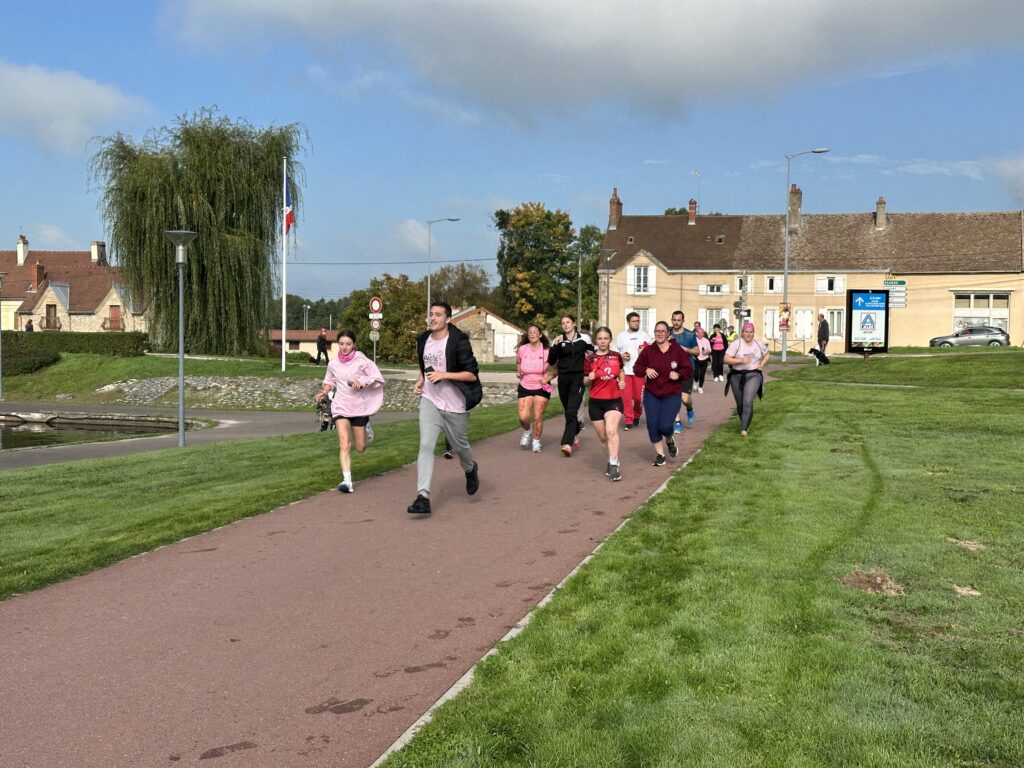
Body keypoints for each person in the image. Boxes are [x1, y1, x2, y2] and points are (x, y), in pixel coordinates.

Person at [409, 301, 482, 515]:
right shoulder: (423, 339)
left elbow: (472, 374)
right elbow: (425, 367)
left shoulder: (458, 341)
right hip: (430, 400)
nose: (432, 318)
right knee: (425, 445)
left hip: (455, 403)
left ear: (448, 319)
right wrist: (420, 380)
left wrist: (445, 375)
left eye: (438, 315)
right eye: (431, 314)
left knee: (460, 447)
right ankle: (423, 496)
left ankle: (470, 468)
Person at [314, 330, 384, 493]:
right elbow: (329, 381)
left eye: (348, 344)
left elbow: (377, 377)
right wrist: (324, 392)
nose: (344, 347)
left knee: (360, 447)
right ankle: (347, 481)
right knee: (344, 444)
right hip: (340, 407)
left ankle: (366, 426)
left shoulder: (362, 360)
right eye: (341, 344)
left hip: (358, 408)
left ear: (354, 345)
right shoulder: (333, 364)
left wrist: (362, 381)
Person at [634, 321, 693, 466]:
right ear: (654, 333)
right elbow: (637, 368)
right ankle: (660, 455)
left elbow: (688, 369)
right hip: (652, 393)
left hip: (671, 393)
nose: (660, 333)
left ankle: (669, 439)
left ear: (668, 334)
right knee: (652, 425)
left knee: (665, 426)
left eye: (663, 331)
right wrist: (646, 370)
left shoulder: (677, 350)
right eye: (657, 331)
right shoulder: (648, 351)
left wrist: (678, 374)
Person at [547, 314, 593, 457]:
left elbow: (592, 356)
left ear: (574, 323)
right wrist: (554, 347)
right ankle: (575, 430)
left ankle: (567, 443)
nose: (565, 325)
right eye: (563, 323)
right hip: (563, 379)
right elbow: (551, 361)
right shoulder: (559, 341)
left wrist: (588, 375)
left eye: (568, 322)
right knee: (568, 410)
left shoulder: (584, 339)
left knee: (572, 410)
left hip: (578, 378)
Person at [584, 327, 626, 481]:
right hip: (595, 402)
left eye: (606, 338)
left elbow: (621, 371)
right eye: (600, 338)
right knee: (602, 437)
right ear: (596, 340)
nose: (603, 341)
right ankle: (611, 460)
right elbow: (585, 382)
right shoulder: (589, 359)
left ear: (610, 339)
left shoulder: (616, 356)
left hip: (613, 400)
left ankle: (614, 465)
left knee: (611, 431)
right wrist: (589, 378)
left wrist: (622, 381)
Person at [723, 322, 771, 437]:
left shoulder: (758, 344)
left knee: (747, 401)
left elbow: (767, 354)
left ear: (753, 333)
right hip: (736, 375)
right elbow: (725, 359)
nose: (748, 334)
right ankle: (745, 421)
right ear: (742, 333)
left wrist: (762, 363)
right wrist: (740, 360)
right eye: (746, 332)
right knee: (740, 404)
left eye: (751, 332)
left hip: (753, 374)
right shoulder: (736, 344)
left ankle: (744, 428)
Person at [515, 324, 553, 453]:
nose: (532, 334)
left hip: (541, 387)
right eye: (530, 332)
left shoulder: (547, 350)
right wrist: (518, 371)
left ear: (540, 335)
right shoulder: (522, 349)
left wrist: (550, 376)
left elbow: (557, 366)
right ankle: (527, 431)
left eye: (535, 332)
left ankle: (536, 442)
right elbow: (518, 363)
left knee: (537, 416)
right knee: (523, 417)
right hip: (525, 386)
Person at [614, 311, 652, 430]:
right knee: (626, 397)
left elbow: (651, 351)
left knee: (638, 398)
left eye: (638, 321)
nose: (637, 323)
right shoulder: (621, 336)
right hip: (625, 371)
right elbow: (615, 352)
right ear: (628, 322)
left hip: (639, 371)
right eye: (634, 321)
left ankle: (637, 415)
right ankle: (628, 420)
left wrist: (644, 353)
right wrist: (621, 355)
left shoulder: (644, 335)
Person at [669, 310, 698, 432]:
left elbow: (697, 352)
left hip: (687, 369)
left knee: (685, 399)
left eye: (678, 320)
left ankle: (690, 409)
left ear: (683, 321)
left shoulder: (690, 335)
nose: (676, 322)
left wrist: (684, 349)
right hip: (670, 369)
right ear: (671, 320)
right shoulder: (667, 333)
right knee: (673, 397)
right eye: (674, 320)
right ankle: (678, 422)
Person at [694, 326, 711, 393]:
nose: (700, 334)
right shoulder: (694, 339)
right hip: (696, 358)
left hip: (705, 359)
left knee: (702, 374)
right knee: (695, 374)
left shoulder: (706, 340)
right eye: (699, 333)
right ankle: (695, 381)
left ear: (703, 334)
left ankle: (700, 387)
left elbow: (710, 350)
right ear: (696, 333)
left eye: (701, 333)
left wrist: (706, 352)